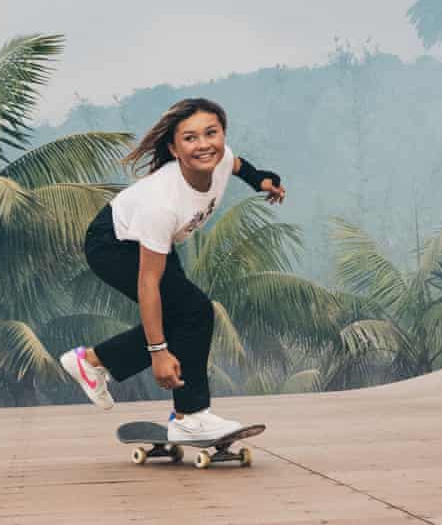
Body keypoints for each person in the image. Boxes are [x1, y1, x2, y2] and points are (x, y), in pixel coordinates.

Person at [60, 98, 286, 442]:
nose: (204, 145)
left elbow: (236, 164)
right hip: (114, 244)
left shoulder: (220, 158)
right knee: (194, 311)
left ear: (223, 134)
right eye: (190, 138)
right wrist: (158, 353)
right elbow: (147, 284)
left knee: (186, 315)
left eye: (211, 133)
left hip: (148, 240)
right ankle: (190, 416)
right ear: (174, 148)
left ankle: (94, 361)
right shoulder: (162, 203)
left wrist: (260, 180)